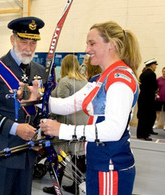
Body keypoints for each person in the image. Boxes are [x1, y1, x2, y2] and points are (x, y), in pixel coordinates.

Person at [20, 21, 141, 194]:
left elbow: (114, 129)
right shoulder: (99, 79)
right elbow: (66, 104)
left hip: (111, 166)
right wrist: (37, 98)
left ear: (111, 45)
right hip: (98, 163)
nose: (86, 49)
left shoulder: (120, 79)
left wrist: (63, 130)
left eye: (92, 43)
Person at [0, 16, 45, 195]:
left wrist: (39, 135)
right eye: (24, 42)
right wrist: (15, 128)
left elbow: (40, 109)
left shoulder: (39, 70)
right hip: (2, 152)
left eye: (33, 43)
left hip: (27, 153)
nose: (29, 48)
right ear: (12, 39)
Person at [43, 54, 88, 194]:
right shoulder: (84, 80)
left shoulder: (65, 81)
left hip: (68, 123)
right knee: (77, 155)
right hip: (82, 124)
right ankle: (76, 185)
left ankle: (57, 185)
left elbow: (62, 106)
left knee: (60, 156)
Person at [136, 59, 159, 141]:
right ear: (152, 65)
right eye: (155, 65)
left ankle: (141, 133)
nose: (155, 67)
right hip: (148, 99)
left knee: (142, 116)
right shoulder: (151, 74)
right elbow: (154, 86)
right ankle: (144, 134)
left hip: (142, 98)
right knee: (146, 117)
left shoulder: (143, 74)